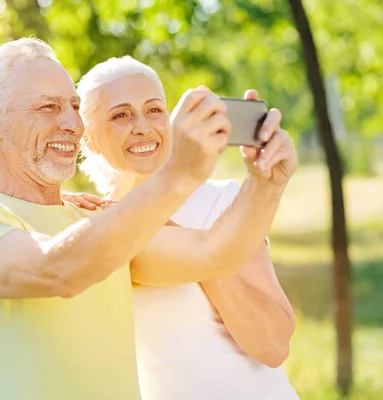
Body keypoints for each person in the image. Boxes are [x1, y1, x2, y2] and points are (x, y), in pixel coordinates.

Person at [0, 38, 236, 400]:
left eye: (74, 106)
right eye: (48, 106)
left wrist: (268, 180)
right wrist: (177, 175)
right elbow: (58, 270)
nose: (73, 124)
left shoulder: (92, 215)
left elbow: (214, 252)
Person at [68, 55, 300, 399]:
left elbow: (273, 345)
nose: (143, 126)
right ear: (89, 139)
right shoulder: (92, 222)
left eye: (154, 110)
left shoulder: (225, 203)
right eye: (121, 115)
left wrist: (168, 227)